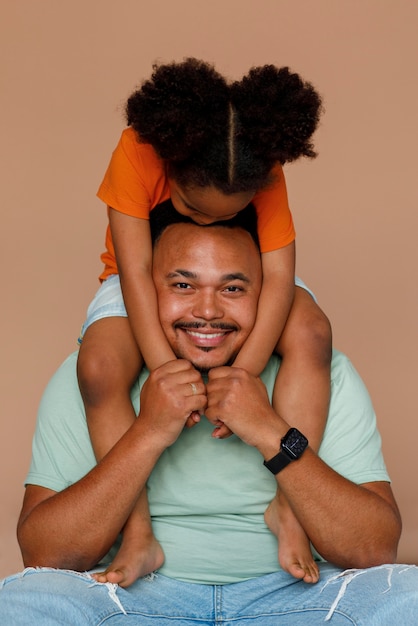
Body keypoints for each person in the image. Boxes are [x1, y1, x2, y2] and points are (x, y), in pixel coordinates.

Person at [1, 202, 417, 625]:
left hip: (295, 599)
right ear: (144, 292)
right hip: (133, 600)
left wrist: (270, 431)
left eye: (233, 289)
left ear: (267, 295)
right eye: (183, 286)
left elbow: (374, 549)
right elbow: (43, 555)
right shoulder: (96, 373)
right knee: (23, 604)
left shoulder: (320, 373)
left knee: (409, 597)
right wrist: (147, 432)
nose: (207, 311)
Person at [76, 58, 332, 587]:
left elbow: (280, 279)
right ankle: (137, 533)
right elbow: (136, 270)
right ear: (172, 165)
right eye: (192, 207)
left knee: (312, 333)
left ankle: (289, 506)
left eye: (226, 215)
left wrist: (241, 377)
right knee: (100, 366)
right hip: (148, 284)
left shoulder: (264, 164)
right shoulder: (138, 150)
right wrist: (169, 372)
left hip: (241, 284)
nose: (207, 222)